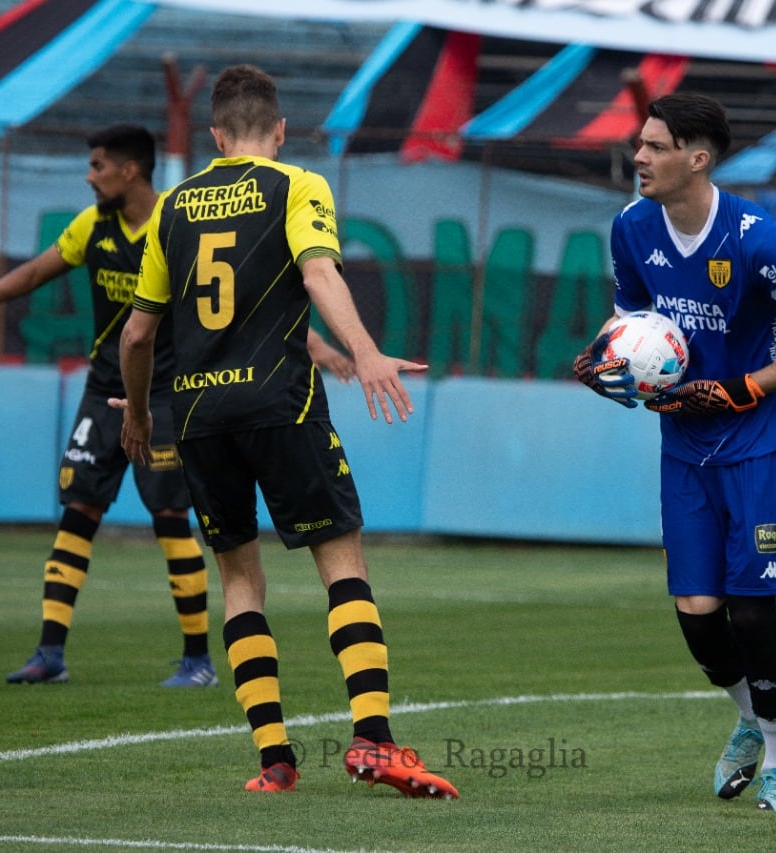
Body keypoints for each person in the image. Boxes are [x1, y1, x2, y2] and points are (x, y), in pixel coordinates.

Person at [115, 64, 458, 799]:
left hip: (199, 418)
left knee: (240, 578)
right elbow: (318, 274)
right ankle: (372, 739)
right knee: (342, 560)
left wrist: (142, 414)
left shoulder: (171, 208)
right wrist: (364, 352)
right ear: (278, 130)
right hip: (281, 406)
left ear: (213, 136)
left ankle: (274, 760)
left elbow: (138, 334)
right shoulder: (296, 185)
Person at [0, 124, 356, 687]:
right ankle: (49, 652)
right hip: (103, 388)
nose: (90, 177)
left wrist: (320, 346)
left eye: (98, 166)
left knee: (170, 516)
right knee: (77, 510)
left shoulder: (174, 221)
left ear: (129, 170)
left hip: (165, 394)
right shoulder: (93, 226)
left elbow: (234, 306)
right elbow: (37, 271)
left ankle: (196, 659)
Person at [574, 93, 776, 813]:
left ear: (697, 157)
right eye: (640, 144)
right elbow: (636, 321)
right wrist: (610, 357)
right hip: (683, 444)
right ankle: (752, 721)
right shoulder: (631, 228)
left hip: (758, 442)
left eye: (655, 146)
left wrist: (739, 389)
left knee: (753, 614)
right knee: (699, 616)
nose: (639, 157)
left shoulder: (758, 240)